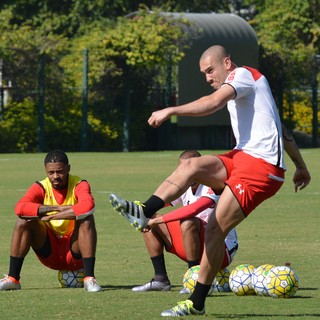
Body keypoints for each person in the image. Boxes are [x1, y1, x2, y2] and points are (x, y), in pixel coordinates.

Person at [109, 45, 311, 316]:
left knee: (215, 228)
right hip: (241, 158)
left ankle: (197, 302)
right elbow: (282, 130)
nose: (207, 77)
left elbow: (212, 103)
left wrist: (170, 110)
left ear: (227, 62)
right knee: (191, 164)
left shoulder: (242, 75)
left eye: (210, 70)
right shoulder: (251, 91)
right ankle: (144, 211)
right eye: (203, 73)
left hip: (261, 170)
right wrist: (301, 166)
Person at [130, 150, 238, 293]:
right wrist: (140, 210)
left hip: (221, 250)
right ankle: (160, 280)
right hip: (196, 244)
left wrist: (159, 220)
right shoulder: (186, 186)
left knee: (188, 221)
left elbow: (193, 210)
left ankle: (193, 279)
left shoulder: (214, 185)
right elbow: (164, 201)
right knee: (148, 219)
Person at [0, 150, 102, 292]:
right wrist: (58, 209)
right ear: (46, 171)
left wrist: (50, 215)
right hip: (49, 252)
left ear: (68, 168)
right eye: (51, 172)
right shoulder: (41, 187)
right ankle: (13, 279)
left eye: (60, 172)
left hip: (75, 251)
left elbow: (87, 206)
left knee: (86, 218)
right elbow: (20, 208)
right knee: (23, 220)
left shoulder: (80, 184)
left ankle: (89, 278)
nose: (55, 176)